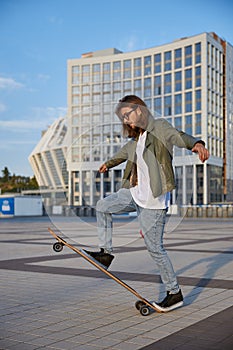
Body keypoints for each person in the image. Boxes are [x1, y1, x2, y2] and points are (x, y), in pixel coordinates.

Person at [83, 95, 209, 311]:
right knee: (103, 206)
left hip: (153, 201)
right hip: (134, 194)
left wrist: (196, 144)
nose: (126, 121)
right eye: (123, 118)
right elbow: (121, 155)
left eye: (127, 115)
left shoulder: (158, 127)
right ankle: (105, 253)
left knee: (155, 248)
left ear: (139, 110)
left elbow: (177, 136)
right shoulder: (136, 140)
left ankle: (174, 293)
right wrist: (107, 164)